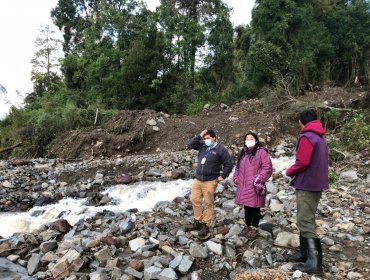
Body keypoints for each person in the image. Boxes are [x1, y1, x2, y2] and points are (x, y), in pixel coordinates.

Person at [284, 109, 328, 274]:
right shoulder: (319, 137)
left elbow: (302, 161)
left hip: (307, 185)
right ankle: (304, 253)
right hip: (316, 183)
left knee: (305, 221)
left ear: (302, 122)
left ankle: (314, 263)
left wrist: (288, 171)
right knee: (305, 218)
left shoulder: (307, 137)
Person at [185, 129, 233, 237]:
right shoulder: (202, 145)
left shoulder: (221, 149)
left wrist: (223, 176)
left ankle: (205, 225)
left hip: (210, 180)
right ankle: (197, 221)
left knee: (208, 202)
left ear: (214, 138)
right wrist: (200, 135)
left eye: (208, 138)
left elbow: (229, 164)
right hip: (198, 179)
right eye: (205, 138)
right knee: (194, 199)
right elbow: (190, 144)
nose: (206, 140)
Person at [233, 132, 273, 239]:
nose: (249, 140)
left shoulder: (261, 152)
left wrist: (259, 179)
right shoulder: (243, 153)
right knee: (246, 207)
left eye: (251, 138)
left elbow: (267, 168)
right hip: (243, 185)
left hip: (255, 185)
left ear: (256, 140)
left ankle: (254, 228)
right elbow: (237, 167)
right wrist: (236, 177)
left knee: (254, 207)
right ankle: (247, 226)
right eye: (247, 138)